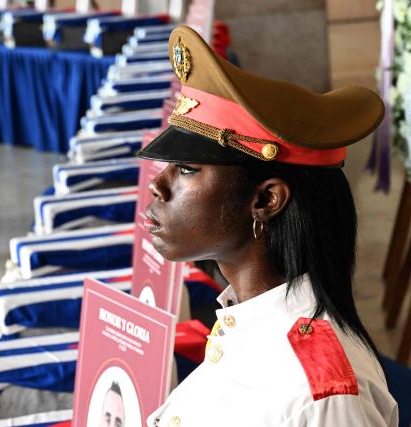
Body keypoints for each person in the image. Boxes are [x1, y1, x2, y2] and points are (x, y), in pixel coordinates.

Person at [139, 26, 399, 426]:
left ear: (265, 201)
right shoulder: (243, 315)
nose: (158, 185)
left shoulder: (322, 398)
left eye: (187, 169)